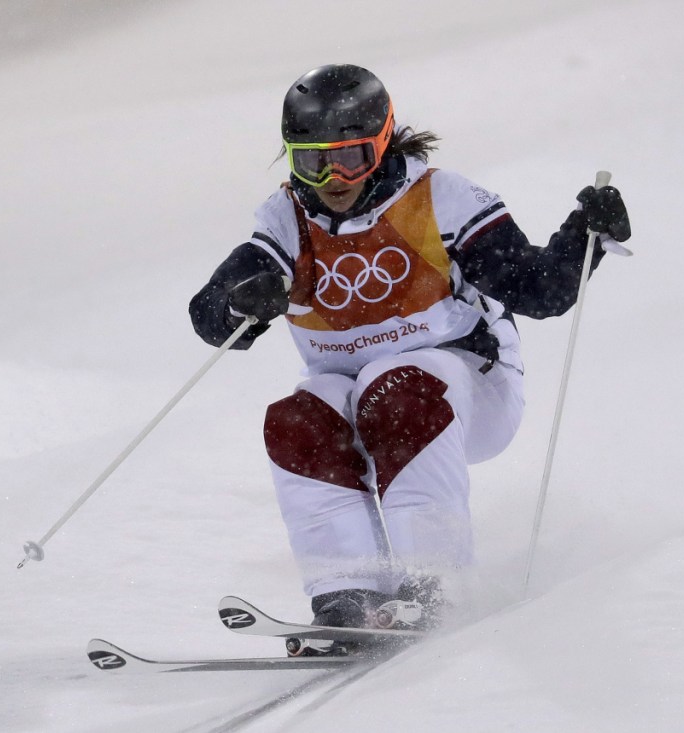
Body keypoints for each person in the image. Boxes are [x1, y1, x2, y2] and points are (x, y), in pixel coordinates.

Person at [189, 64, 630, 652]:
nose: (331, 178)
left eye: (349, 157)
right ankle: (347, 594)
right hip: (356, 397)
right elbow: (208, 313)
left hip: (466, 387)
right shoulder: (286, 221)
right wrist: (241, 304)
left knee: (392, 384)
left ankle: (434, 582)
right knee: (298, 417)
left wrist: (584, 235)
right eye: (309, 160)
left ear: (383, 142)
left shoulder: (439, 199)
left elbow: (540, 288)